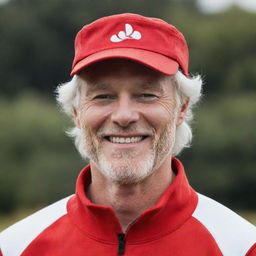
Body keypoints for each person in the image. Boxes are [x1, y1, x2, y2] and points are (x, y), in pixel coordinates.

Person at [0, 13, 255, 256]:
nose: (124, 115)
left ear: (182, 107)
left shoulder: (241, 247)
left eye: (146, 95)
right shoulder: (15, 247)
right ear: (76, 112)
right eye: (103, 96)